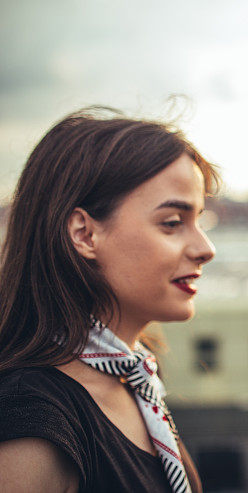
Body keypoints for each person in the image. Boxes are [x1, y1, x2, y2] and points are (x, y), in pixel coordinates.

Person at [0, 108, 218, 493]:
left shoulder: (135, 378)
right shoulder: (32, 418)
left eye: (200, 220)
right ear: (84, 234)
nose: (205, 248)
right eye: (172, 223)